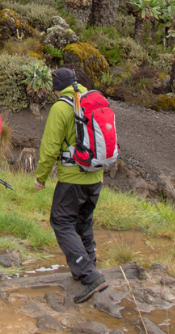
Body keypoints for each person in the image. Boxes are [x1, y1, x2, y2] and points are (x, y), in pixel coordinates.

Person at [35, 68, 107, 304]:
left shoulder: (61, 107)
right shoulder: (93, 100)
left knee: (61, 221)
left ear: (57, 87)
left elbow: (50, 147)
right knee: (83, 222)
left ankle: (89, 274)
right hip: (95, 176)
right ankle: (89, 265)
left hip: (72, 178)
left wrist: (41, 177)